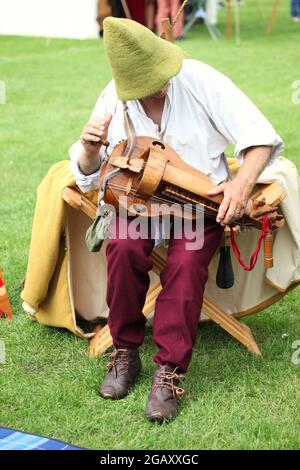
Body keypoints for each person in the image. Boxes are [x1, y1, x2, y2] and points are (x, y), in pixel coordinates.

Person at [69, 17, 283, 422]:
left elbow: (261, 138)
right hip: (138, 206)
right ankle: (125, 353)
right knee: (123, 248)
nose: (162, 82)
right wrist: (87, 148)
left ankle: (168, 371)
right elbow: (87, 172)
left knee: (185, 265)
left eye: (162, 72)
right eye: (150, 79)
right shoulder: (115, 97)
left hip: (199, 206)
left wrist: (239, 186)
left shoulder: (201, 79)